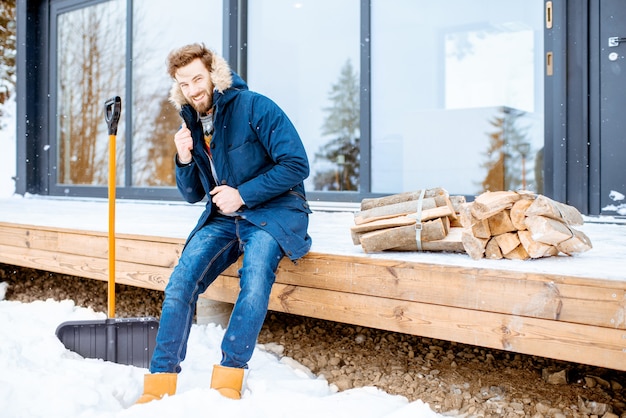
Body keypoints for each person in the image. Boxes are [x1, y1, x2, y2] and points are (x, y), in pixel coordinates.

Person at [135, 43, 312, 403]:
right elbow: (192, 194)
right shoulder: (192, 123)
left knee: (255, 278)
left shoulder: (255, 106)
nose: (193, 90)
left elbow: (296, 165)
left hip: (272, 212)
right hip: (223, 217)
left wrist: (242, 194)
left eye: (198, 79)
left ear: (215, 75)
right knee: (180, 283)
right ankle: (159, 383)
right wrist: (183, 159)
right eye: (184, 84)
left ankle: (229, 378)